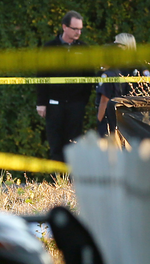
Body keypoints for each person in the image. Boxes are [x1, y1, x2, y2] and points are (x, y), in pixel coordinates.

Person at [36, 11, 95, 162]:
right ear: (64, 27)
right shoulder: (49, 48)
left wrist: (83, 101)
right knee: (55, 144)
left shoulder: (84, 49)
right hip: (54, 104)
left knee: (74, 143)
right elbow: (42, 75)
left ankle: (72, 182)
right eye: (75, 29)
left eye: (80, 29)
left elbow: (89, 76)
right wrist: (41, 103)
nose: (78, 32)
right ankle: (57, 181)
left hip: (76, 105)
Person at [96, 34, 141, 138]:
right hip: (120, 116)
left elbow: (104, 100)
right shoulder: (118, 72)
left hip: (108, 117)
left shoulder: (107, 75)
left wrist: (99, 120)